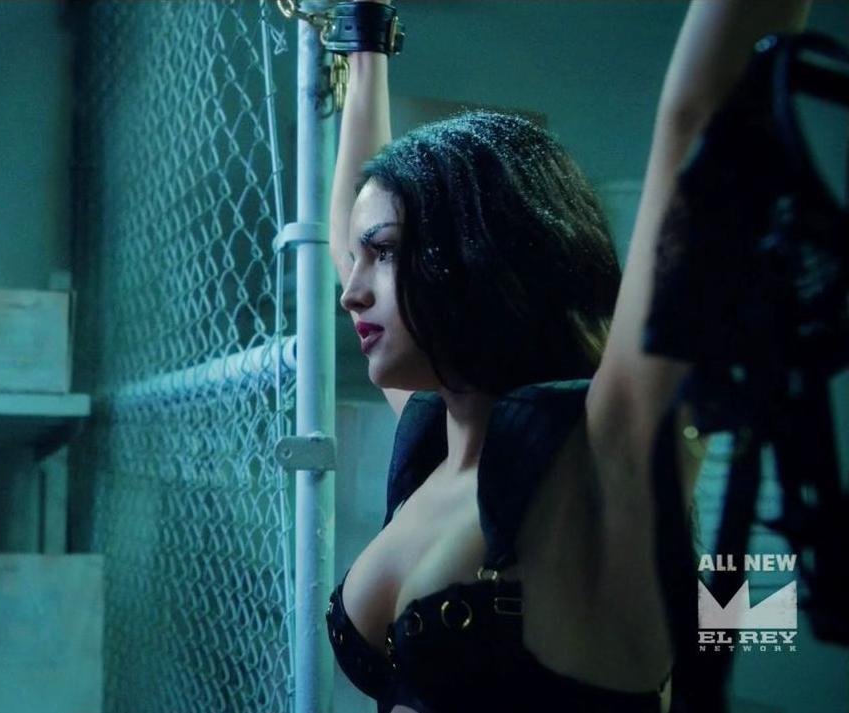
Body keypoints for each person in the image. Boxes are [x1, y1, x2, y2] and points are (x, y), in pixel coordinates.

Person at [323, 1, 810, 711]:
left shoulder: (597, 450)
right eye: (360, 257)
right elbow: (349, 243)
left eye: (386, 253)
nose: (352, 290)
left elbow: (700, 121)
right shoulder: (439, 434)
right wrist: (363, 41)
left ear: (476, 259)